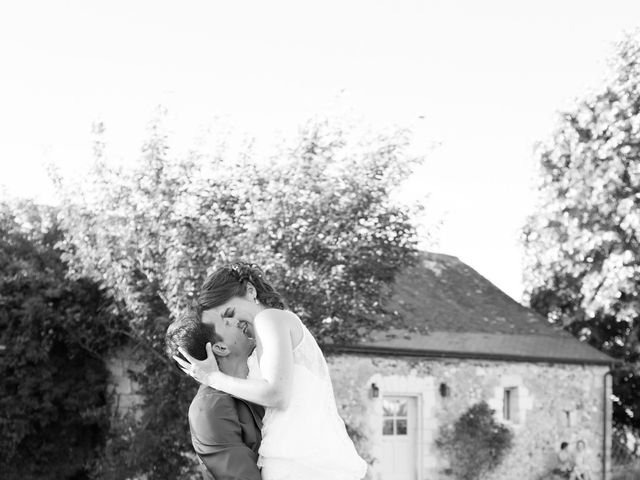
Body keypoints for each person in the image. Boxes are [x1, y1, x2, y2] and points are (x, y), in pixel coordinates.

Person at [174, 262, 368, 480]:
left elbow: (276, 394)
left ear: (250, 291)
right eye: (225, 320)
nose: (233, 322)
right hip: (311, 456)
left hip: (294, 461)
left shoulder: (269, 319)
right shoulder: (265, 341)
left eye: (229, 312)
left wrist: (213, 377)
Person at [165, 311, 265, 480]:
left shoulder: (265, 378)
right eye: (227, 322)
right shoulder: (209, 408)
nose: (238, 321)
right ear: (221, 348)